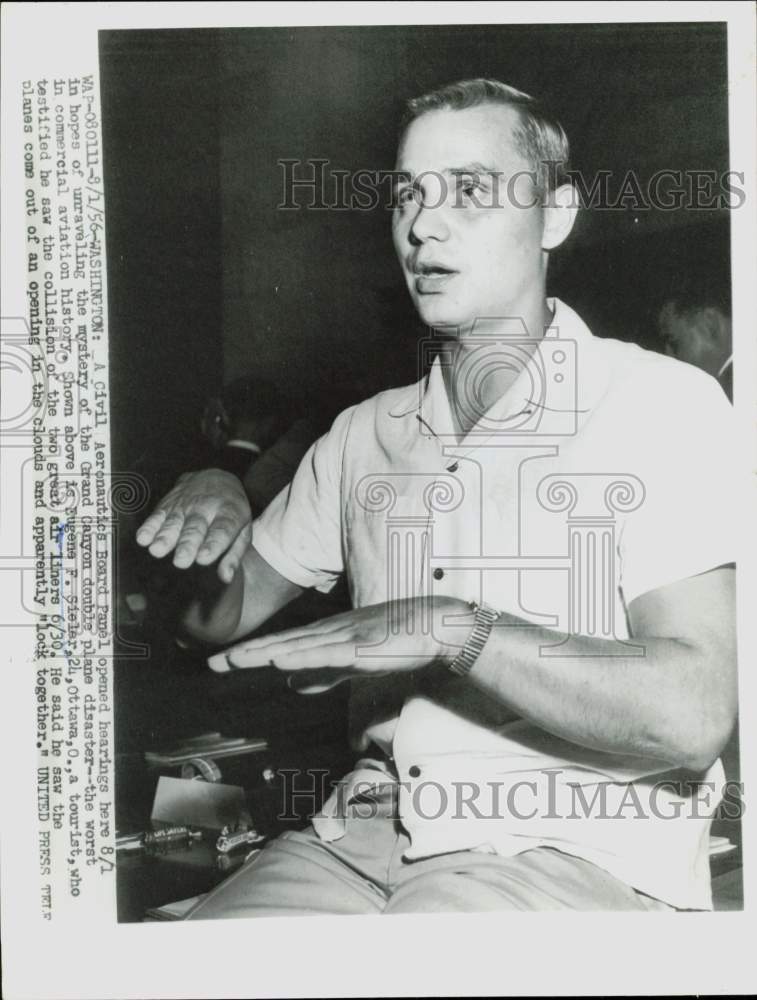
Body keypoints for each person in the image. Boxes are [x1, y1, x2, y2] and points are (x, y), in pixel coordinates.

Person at [136, 79, 737, 915]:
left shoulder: (659, 403)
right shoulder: (361, 435)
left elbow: (691, 714)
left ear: (554, 216)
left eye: (470, 190)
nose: (422, 225)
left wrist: (452, 627)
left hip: (565, 848)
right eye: (406, 196)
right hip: (352, 840)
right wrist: (214, 501)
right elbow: (212, 622)